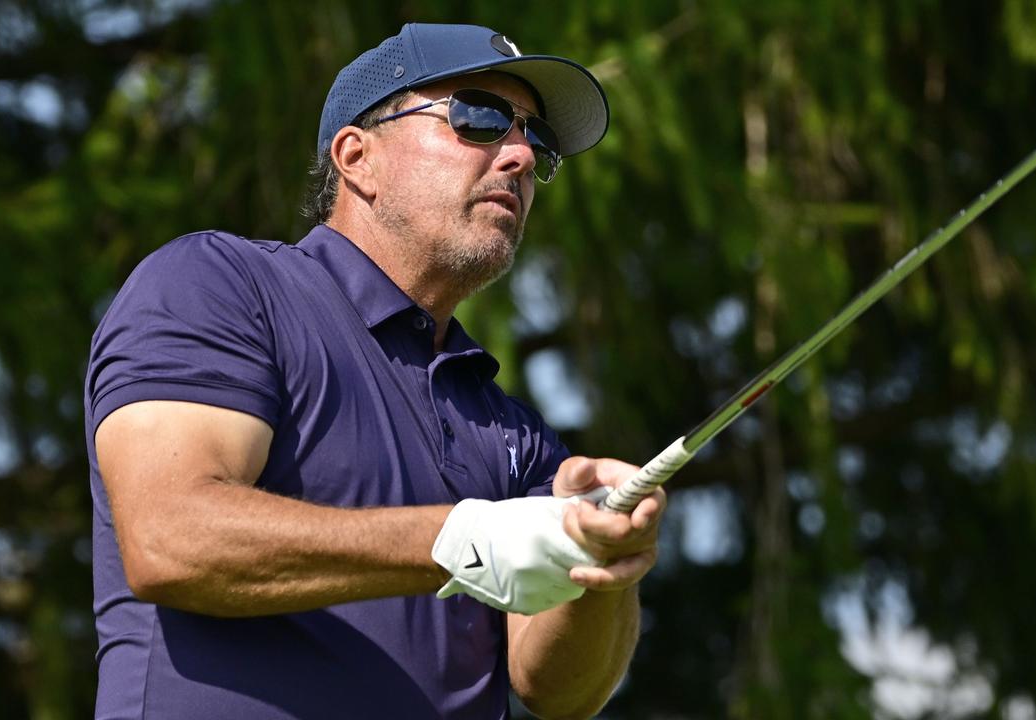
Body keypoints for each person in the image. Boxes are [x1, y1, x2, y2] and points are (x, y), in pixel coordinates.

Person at [85, 22, 667, 720]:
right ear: (358, 156)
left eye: (536, 142)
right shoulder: (220, 284)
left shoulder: (511, 429)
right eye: (478, 117)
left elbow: (559, 691)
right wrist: (463, 538)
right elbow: (168, 537)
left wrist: (599, 552)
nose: (517, 155)